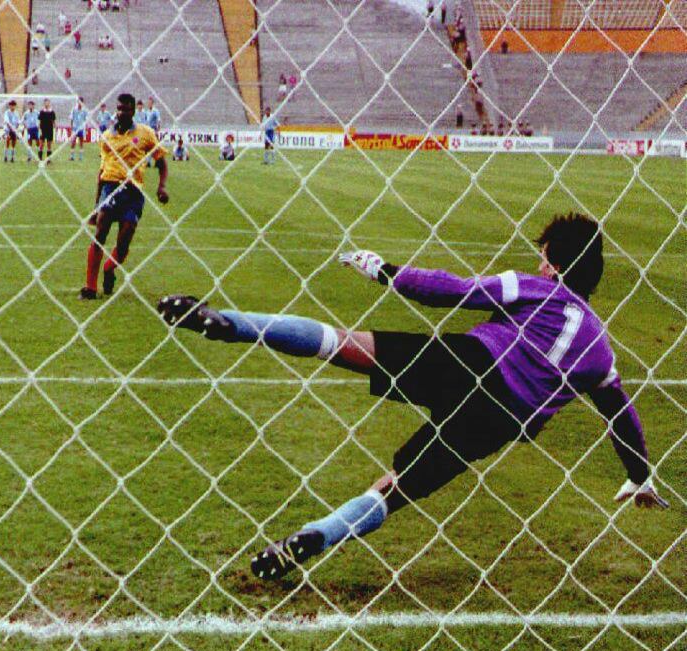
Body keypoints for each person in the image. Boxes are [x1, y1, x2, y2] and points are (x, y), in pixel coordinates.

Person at [157, 213, 668, 582]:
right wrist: (639, 474)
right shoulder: (600, 349)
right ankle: (317, 535)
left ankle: (232, 325)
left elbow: (452, 290)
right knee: (398, 488)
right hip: (501, 421)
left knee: (343, 344)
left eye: (543, 257)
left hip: (472, 362)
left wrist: (385, 270)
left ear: (554, 266)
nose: (538, 263)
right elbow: (620, 414)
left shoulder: (537, 290)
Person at [81, 92, 169, 300]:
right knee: (100, 233)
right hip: (110, 187)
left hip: (133, 191)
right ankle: (90, 288)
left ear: (133, 111)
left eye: (126, 109)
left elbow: (162, 162)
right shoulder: (107, 137)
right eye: (119, 108)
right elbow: (101, 172)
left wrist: (161, 187)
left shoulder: (145, 133)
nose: (122, 112)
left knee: (124, 242)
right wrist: (96, 207)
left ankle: (109, 268)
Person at [37, 98, 57, 163]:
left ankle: (48, 159)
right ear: (44, 103)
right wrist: (39, 128)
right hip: (43, 129)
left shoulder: (52, 112)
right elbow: (39, 121)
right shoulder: (42, 112)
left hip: (50, 130)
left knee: (49, 144)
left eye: (48, 102)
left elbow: (53, 121)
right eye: (45, 102)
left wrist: (55, 127)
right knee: (41, 144)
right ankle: (40, 159)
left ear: (49, 103)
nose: (46, 104)